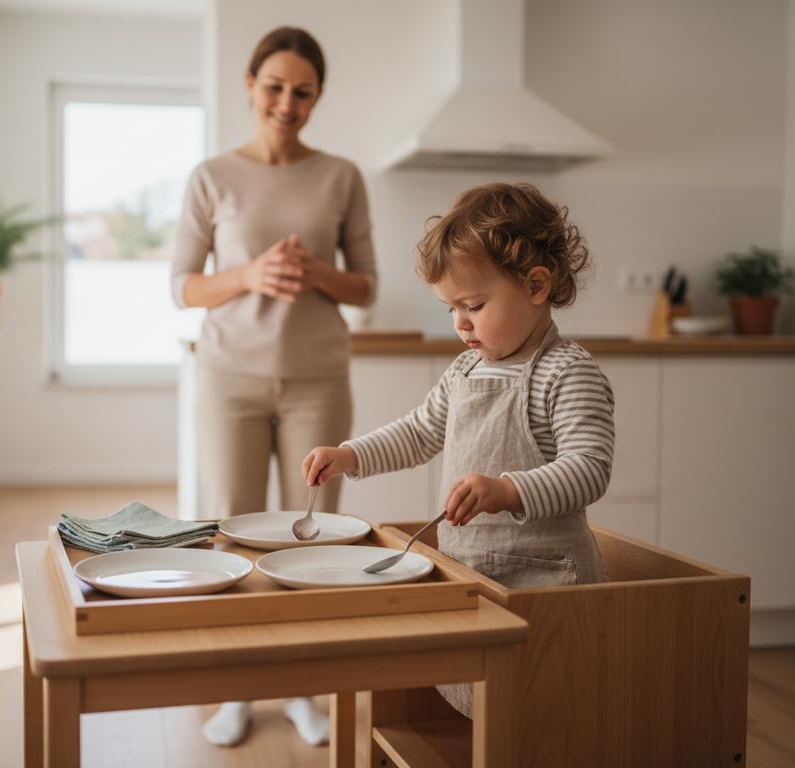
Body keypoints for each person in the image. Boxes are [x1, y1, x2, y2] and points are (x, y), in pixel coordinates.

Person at [302, 182, 614, 716]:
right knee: (488, 709)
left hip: (547, 585)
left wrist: (507, 489)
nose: (460, 324)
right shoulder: (464, 370)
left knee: (546, 709)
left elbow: (589, 470)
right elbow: (420, 431)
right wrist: (351, 454)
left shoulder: (569, 372)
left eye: (473, 304)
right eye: (450, 309)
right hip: (474, 574)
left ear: (537, 285)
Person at [171, 26, 377, 747]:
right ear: (250, 85)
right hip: (228, 379)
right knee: (231, 533)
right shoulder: (212, 175)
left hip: (319, 381)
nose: (287, 103)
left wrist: (316, 271)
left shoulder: (341, 176)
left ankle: (298, 689)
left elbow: (368, 284)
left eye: (303, 92)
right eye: (275, 88)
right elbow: (182, 286)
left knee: (310, 537)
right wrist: (250, 275)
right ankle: (236, 690)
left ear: (317, 98)